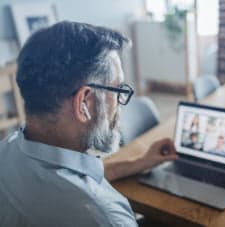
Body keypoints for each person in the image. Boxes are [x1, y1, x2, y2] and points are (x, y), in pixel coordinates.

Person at [0, 21, 178, 227]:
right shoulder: (105, 218)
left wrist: (139, 162)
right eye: (118, 90)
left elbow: (68, 175)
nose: (120, 104)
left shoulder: (7, 149)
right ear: (84, 102)